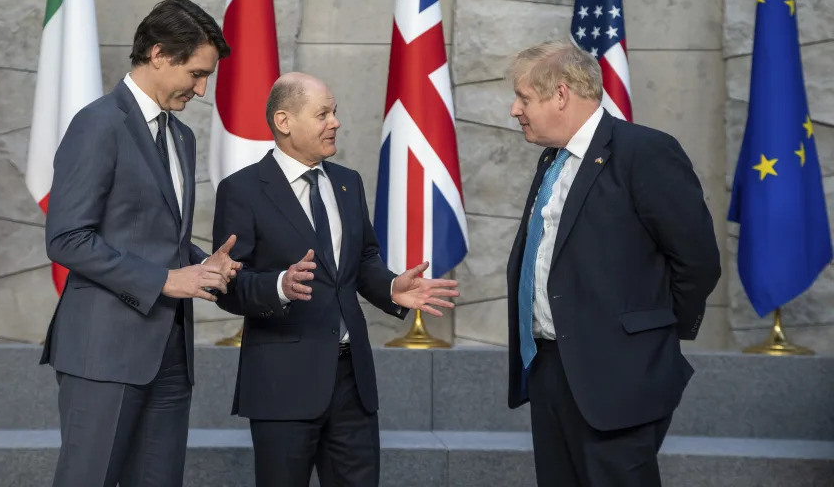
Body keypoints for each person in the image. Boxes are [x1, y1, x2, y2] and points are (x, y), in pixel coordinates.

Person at [212, 72, 460, 487]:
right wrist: (277, 286)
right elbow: (227, 284)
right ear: (284, 121)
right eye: (323, 114)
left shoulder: (348, 182)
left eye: (335, 112)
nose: (336, 123)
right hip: (282, 384)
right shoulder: (242, 190)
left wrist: (391, 287)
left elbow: (362, 261)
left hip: (352, 384)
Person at [40, 0, 241, 487]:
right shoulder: (99, 123)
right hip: (104, 352)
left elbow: (151, 236)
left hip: (171, 355)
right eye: (196, 73)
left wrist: (201, 264)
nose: (202, 88)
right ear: (157, 54)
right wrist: (166, 279)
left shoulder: (182, 137)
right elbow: (67, 238)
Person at [505, 41, 720, 486]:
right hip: (550, 369)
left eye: (524, 97)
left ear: (560, 94)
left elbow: (696, 260)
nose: (514, 110)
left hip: (620, 377)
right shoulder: (552, 159)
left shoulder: (645, 152)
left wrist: (644, 336)